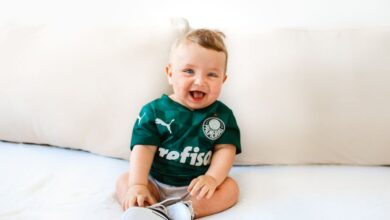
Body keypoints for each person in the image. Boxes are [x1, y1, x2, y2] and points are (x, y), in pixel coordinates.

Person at [115, 28, 241, 219]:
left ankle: (185, 210)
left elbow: (225, 149)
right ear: (170, 73)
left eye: (212, 75)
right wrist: (138, 185)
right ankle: (148, 207)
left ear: (223, 80)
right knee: (125, 181)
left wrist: (212, 178)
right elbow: (143, 148)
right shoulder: (154, 111)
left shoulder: (222, 116)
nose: (200, 81)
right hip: (155, 183)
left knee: (231, 189)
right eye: (189, 71)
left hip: (196, 190)